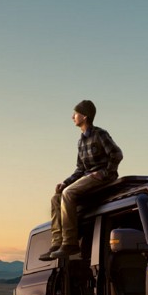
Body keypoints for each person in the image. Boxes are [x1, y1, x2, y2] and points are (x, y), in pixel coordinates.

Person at [40, 100, 123, 261]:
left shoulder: (100, 134)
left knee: (68, 194)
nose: (72, 117)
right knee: (57, 197)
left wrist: (106, 173)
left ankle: (70, 243)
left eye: (75, 113)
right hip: (87, 177)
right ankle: (57, 243)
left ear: (84, 116)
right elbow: (80, 169)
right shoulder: (81, 141)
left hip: (102, 178)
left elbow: (117, 154)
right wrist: (65, 182)